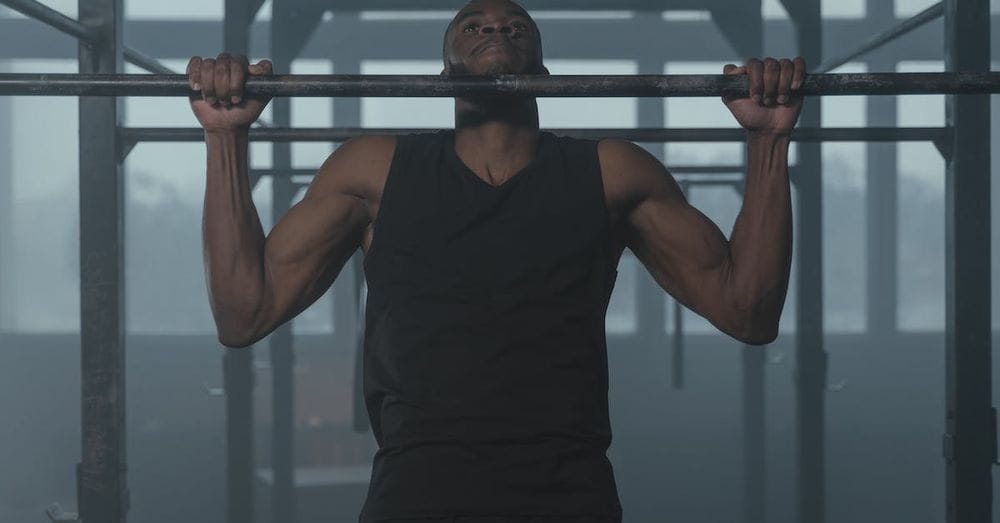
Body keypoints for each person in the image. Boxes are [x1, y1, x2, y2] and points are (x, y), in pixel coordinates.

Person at [187, 0, 804, 521]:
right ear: (444, 67)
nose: (496, 30)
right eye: (473, 25)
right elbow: (245, 314)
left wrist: (768, 139)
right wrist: (224, 137)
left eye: (516, 27)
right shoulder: (374, 169)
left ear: (541, 65)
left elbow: (747, 312)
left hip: (567, 487)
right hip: (419, 486)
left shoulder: (612, 171)